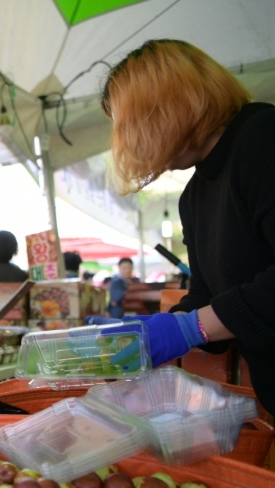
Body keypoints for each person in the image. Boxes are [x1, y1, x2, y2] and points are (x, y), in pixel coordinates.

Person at [90, 39, 275, 414]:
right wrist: (166, 325)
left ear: (164, 109)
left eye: (128, 124)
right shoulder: (193, 194)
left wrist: (192, 327)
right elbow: (208, 292)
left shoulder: (263, 139)